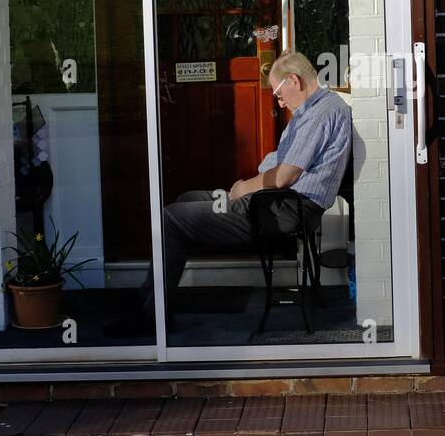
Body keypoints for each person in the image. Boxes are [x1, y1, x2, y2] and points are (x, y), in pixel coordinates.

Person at [107, 51, 352, 337]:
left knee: (170, 219)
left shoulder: (320, 113)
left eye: (277, 92)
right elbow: (274, 166)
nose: (278, 100)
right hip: (276, 200)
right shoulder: (311, 111)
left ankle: (152, 313)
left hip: (284, 208)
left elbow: (284, 176)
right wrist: (246, 187)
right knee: (187, 200)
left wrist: (243, 188)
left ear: (294, 81)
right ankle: (156, 301)